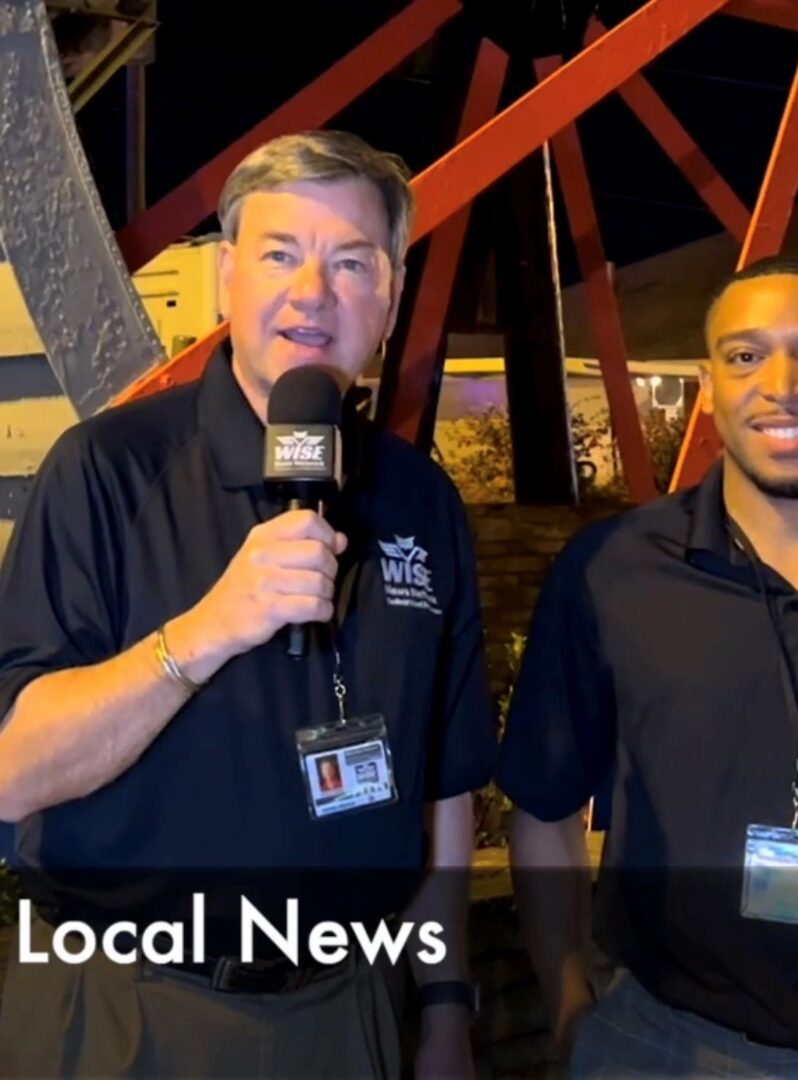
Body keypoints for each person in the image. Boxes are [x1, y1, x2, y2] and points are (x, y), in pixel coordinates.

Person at [0, 130, 494, 1078]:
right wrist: (203, 633)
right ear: (228, 275)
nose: (313, 293)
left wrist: (442, 1010)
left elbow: (445, 788)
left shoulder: (421, 501)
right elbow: (16, 772)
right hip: (123, 1015)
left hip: (347, 1015)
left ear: (389, 295)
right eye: (280, 254)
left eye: (352, 262)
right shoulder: (108, 470)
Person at [499, 256, 798, 1076]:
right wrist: (570, 1011)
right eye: (745, 356)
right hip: (665, 1044)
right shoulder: (614, 570)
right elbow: (546, 806)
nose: (782, 385)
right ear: (712, 382)